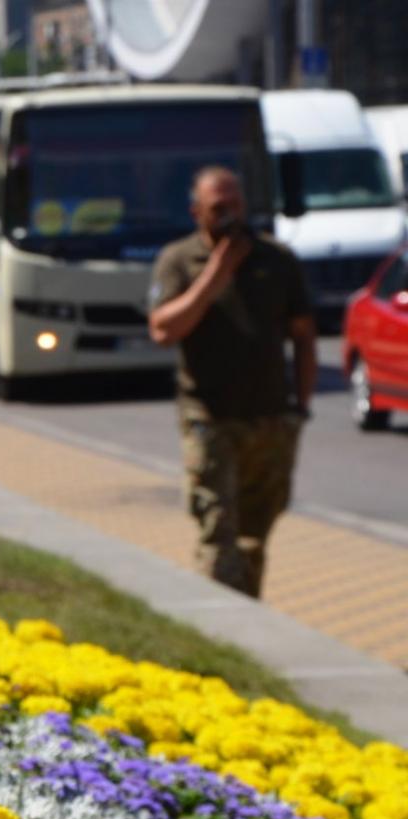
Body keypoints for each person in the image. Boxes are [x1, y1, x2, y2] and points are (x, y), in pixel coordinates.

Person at [148, 165, 316, 599]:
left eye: (235, 205)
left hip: (270, 420)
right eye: (218, 208)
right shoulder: (179, 261)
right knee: (218, 532)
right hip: (209, 419)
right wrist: (216, 273)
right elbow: (163, 330)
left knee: (254, 539)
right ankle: (222, 628)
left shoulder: (276, 260)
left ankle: (247, 624)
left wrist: (300, 407)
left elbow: (303, 336)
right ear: (196, 211)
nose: (230, 216)